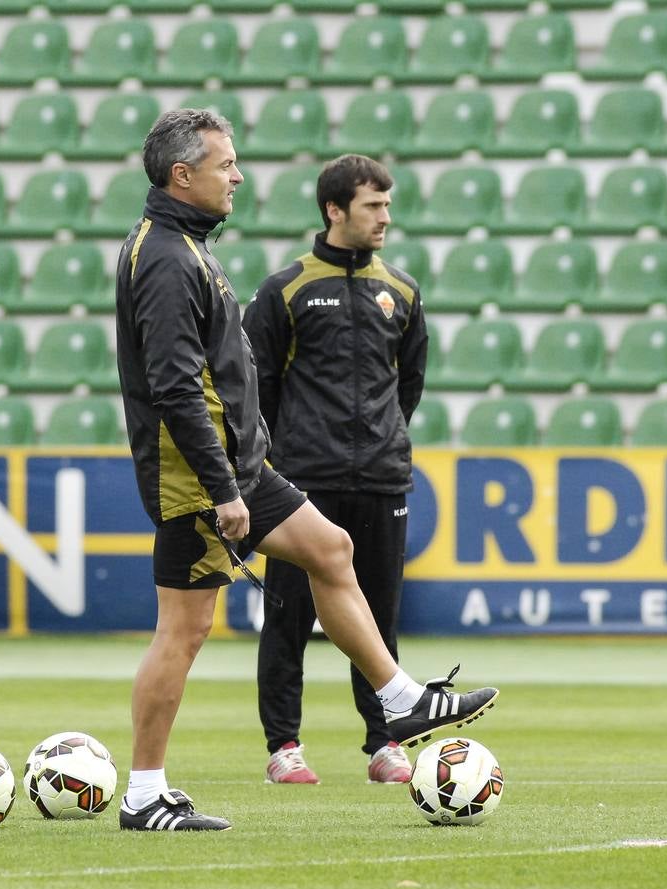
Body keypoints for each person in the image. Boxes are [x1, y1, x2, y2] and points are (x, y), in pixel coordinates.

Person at [113, 110, 496, 831]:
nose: (239, 175)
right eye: (226, 164)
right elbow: (172, 384)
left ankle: (397, 698)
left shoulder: (182, 246)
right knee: (184, 631)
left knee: (330, 548)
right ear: (182, 175)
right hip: (197, 474)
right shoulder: (166, 256)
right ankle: (143, 793)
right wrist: (224, 488)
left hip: (233, 463)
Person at [243, 154, 425, 787]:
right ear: (334, 210)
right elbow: (254, 388)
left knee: (378, 614)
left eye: (387, 204)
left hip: (382, 477)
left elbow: (408, 386)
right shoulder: (284, 290)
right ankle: (284, 745)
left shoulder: (401, 290)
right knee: (288, 614)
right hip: (302, 483)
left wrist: (383, 441)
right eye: (373, 205)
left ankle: (385, 742)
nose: (385, 217)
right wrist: (272, 464)